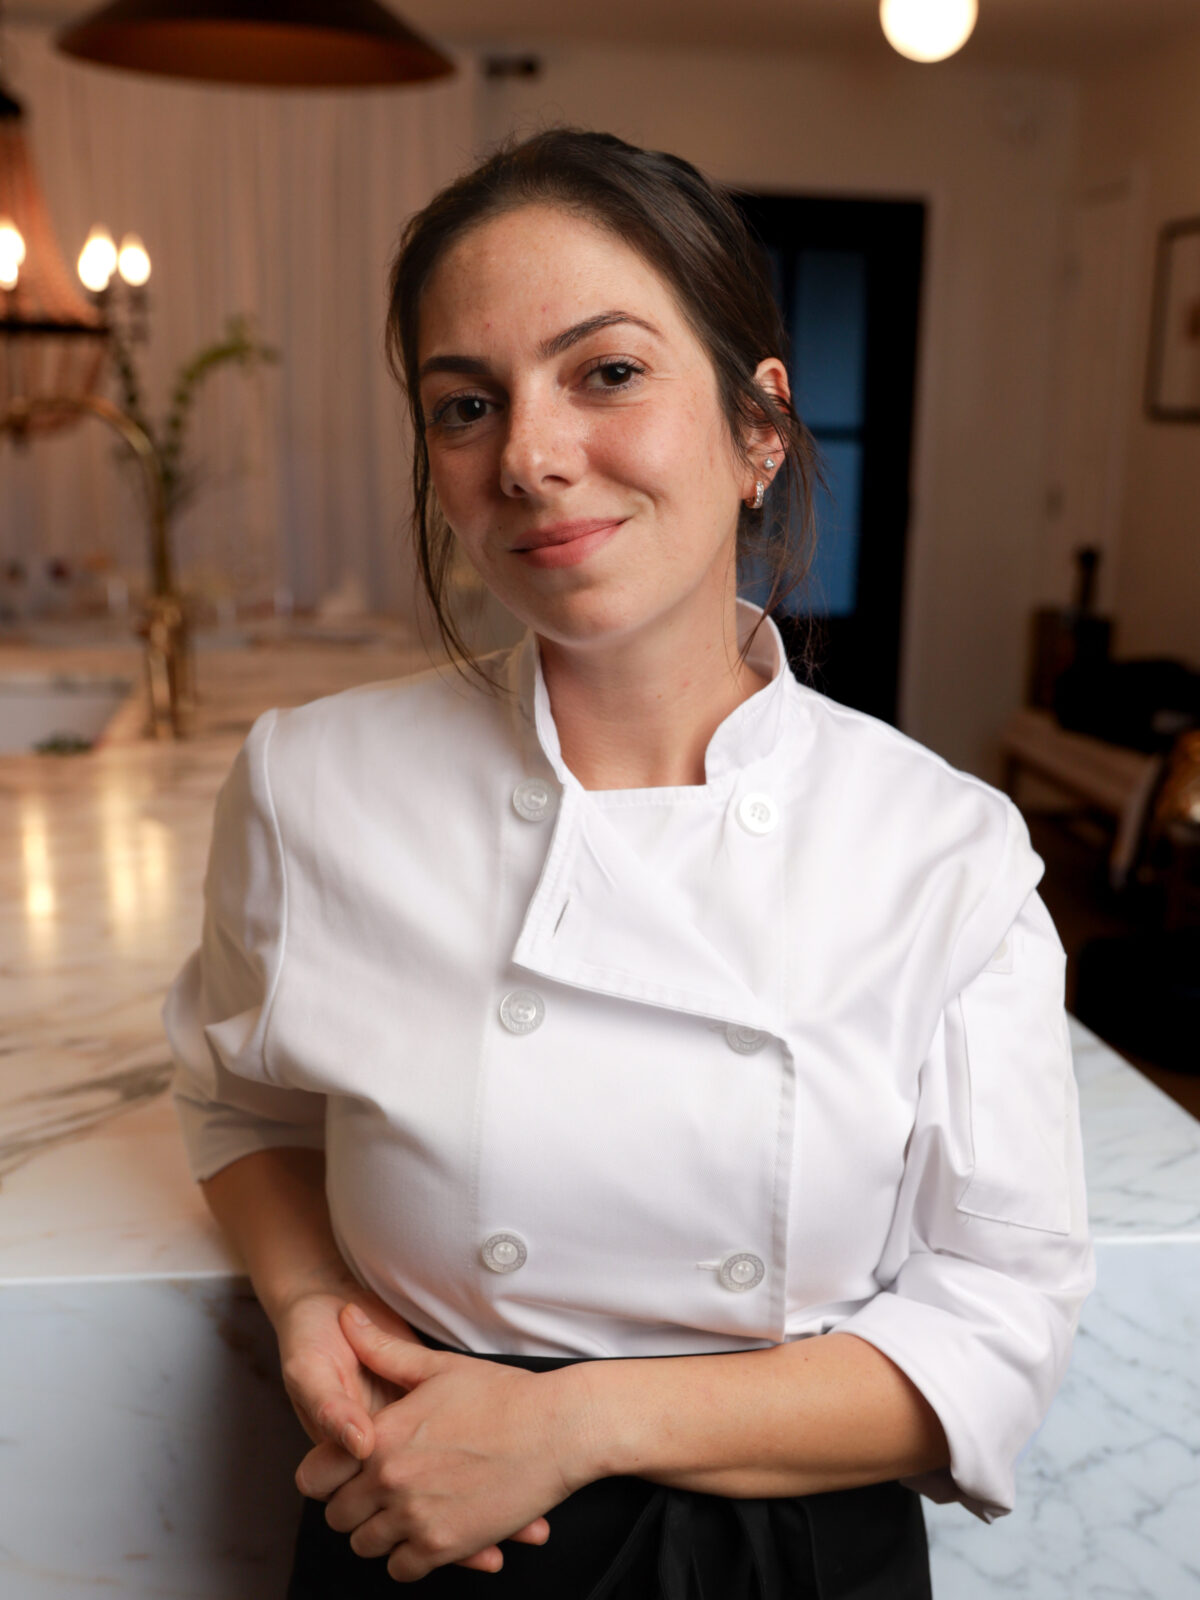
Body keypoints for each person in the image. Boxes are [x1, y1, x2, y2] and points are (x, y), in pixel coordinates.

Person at [163, 126, 1095, 1598]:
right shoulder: (311, 783)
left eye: (606, 373)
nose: (528, 456)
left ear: (759, 431)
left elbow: (996, 1325)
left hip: (784, 1554)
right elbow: (239, 1098)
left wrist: (568, 1423)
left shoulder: (943, 850)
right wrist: (306, 1304)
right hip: (415, 1525)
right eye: (466, 404)